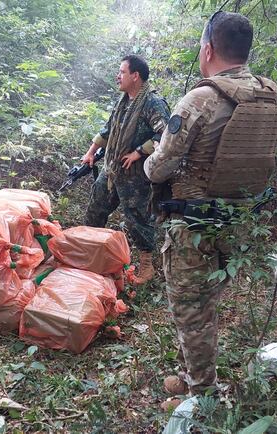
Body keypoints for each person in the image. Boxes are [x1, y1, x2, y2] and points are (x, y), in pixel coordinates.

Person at [144, 11, 277, 405]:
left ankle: (201, 396)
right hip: (240, 223)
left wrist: (149, 159)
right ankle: (191, 375)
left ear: (209, 49)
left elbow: (159, 167)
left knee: (191, 310)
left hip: (194, 225)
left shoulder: (200, 98)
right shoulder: (272, 95)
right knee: (206, 303)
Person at [82, 55, 170, 284]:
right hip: (112, 169)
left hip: (136, 176)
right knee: (95, 209)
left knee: (137, 220)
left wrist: (138, 152)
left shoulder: (152, 103)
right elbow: (108, 129)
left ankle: (147, 266)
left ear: (135, 76)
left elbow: (166, 134)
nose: (117, 76)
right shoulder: (123, 101)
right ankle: (92, 253)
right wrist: (91, 151)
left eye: (122, 72)